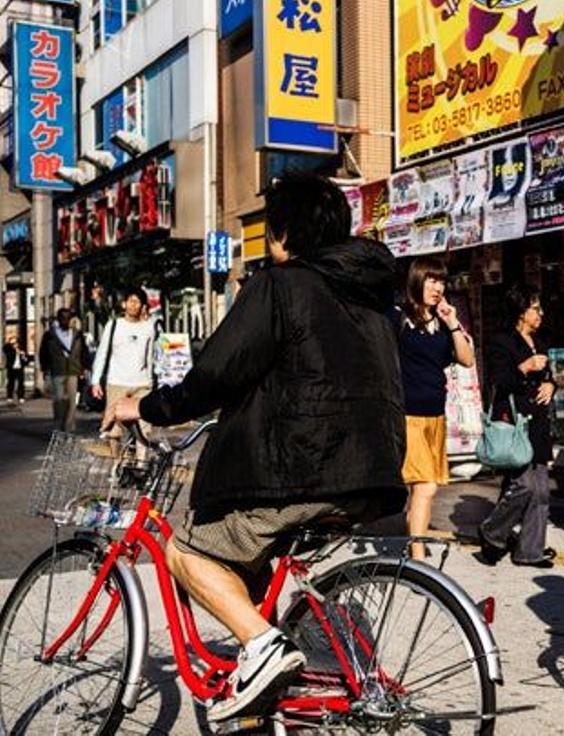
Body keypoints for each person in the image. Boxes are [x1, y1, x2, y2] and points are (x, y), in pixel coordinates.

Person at [104, 173, 406, 722]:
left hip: (304, 468)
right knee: (256, 568)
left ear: (284, 233)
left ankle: (264, 647)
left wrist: (144, 407)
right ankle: (280, 685)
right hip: (374, 470)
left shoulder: (280, 285)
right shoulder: (369, 301)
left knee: (187, 551)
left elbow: (216, 374)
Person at [396, 257, 475, 560]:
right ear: (417, 280)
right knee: (426, 486)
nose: (437, 287)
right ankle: (417, 554)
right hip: (408, 416)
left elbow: (467, 359)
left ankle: (413, 537)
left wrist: (453, 322)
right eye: (431, 280)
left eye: (441, 281)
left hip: (435, 417)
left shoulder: (442, 323)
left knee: (422, 489)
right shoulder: (398, 317)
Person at [476, 283, 557, 569]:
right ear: (522, 311)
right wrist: (525, 367)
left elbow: (549, 374)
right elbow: (498, 380)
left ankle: (530, 551)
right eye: (536, 308)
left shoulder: (540, 340)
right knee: (523, 485)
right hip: (515, 421)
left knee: (542, 491)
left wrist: (550, 383)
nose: (541, 314)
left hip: (538, 419)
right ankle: (492, 531)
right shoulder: (502, 341)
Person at [90, 288, 159, 438]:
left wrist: (151, 380)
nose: (134, 305)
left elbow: (152, 355)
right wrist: (96, 381)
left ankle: (141, 461)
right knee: (115, 431)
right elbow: (102, 353)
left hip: (142, 384)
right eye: (131, 301)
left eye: (138, 302)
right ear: (124, 304)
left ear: (143, 306)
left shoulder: (149, 327)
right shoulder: (114, 325)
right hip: (117, 382)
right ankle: (117, 461)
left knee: (144, 430)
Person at [38, 308, 87, 432]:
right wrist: (44, 368)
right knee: (59, 399)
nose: (65, 320)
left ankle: (69, 427)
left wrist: (84, 367)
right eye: (63, 318)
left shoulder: (77, 334)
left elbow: (83, 352)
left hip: (73, 370)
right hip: (57, 370)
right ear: (58, 319)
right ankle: (59, 424)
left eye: (68, 317)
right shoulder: (49, 335)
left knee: (71, 400)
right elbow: (43, 352)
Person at [4, 335, 27, 403]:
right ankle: (10, 396)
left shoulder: (21, 349)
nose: (15, 344)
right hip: (11, 368)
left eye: (16, 343)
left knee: (21, 383)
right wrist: (10, 344)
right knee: (11, 382)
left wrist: (23, 356)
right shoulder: (9, 349)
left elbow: (26, 360)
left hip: (19, 368)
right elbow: (5, 350)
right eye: (13, 343)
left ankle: (21, 396)